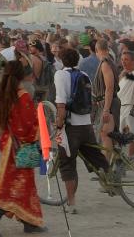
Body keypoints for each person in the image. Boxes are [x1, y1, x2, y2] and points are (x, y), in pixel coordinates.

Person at [0, 60, 45, 235]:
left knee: (18, 183)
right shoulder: (23, 96)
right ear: (22, 75)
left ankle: (29, 223)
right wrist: (38, 132)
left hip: (7, 143)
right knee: (18, 184)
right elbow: (27, 125)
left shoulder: (2, 95)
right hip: (20, 147)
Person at [53, 47, 109, 215]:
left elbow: (61, 105)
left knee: (67, 165)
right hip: (86, 126)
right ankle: (112, 181)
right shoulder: (84, 76)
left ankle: (71, 203)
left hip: (71, 128)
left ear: (62, 60)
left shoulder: (60, 75)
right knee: (96, 158)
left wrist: (59, 124)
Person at [92, 39, 120, 157]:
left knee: (105, 135)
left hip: (109, 104)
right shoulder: (110, 61)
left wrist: (106, 109)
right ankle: (114, 166)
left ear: (96, 50)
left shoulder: (105, 64)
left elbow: (109, 88)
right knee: (109, 136)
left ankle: (105, 169)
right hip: (108, 103)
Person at [116, 51, 134, 156]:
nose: (123, 62)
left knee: (131, 135)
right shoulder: (123, 74)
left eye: (126, 59)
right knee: (122, 135)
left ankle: (130, 159)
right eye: (122, 59)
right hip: (121, 108)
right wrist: (122, 74)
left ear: (133, 61)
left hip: (132, 107)